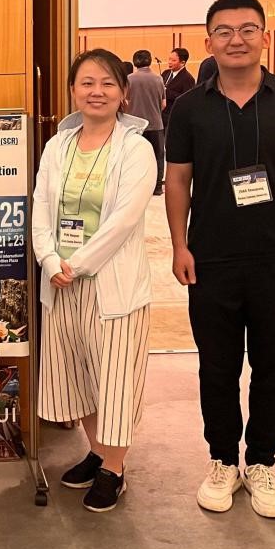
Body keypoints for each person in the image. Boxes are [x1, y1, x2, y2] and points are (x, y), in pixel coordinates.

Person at [165, 0, 275, 520]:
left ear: (264, 36)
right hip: (211, 262)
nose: (235, 39)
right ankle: (222, 460)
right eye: (224, 31)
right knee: (216, 369)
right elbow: (178, 181)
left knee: (273, 368)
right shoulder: (190, 107)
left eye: (246, 29)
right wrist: (179, 245)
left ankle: (261, 462)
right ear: (208, 41)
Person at [32, 49, 157, 512]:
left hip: (111, 286)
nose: (96, 91)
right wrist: (49, 259)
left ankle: (114, 469)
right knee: (77, 375)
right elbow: (41, 206)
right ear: (73, 91)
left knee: (115, 380)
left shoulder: (137, 149)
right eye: (87, 82)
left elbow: (124, 219)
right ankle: (98, 452)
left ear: (124, 93)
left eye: (107, 83)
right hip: (61, 282)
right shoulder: (57, 146)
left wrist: (77, 263)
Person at [127, 50, 166, 194]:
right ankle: (157, 187)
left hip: (135, 125)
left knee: (135, 157)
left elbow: (125, 102)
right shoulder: (158, 79)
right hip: (156, 124)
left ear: (134, 62)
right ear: (149, 60)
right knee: (158, 157)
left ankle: (137, 187)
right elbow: (164, 104)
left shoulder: (129, 79)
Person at [162, 47, 196, 122]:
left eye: (173, 60)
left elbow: (186, 100)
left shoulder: (188, 78)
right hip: (161, 114)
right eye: (169, 59)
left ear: (182, 63)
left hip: (174, 117)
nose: (169, 62)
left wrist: (167, 92)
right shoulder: (165, 73)